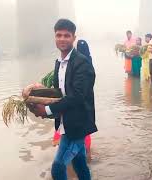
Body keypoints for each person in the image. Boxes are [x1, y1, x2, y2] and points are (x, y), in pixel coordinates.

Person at [23, 19, 97, 180]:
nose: (62, 39)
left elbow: (77, 97)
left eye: (67, 35)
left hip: (77, 125)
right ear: (55, 37)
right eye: (59, 35)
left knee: (57, 169)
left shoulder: (82, 63)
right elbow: (59, 93)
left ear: (73, 37)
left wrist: (47, 110)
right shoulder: (59, 63)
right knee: (80, 165)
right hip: (66, 123)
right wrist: (39, 92)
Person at [52, 39, 93, 158]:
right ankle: (85, 155)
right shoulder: (83, 62)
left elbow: (77, 92)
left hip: (75, 108)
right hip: (76, 108)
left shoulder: (82, 64)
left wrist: (49, 109)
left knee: (59, 165)